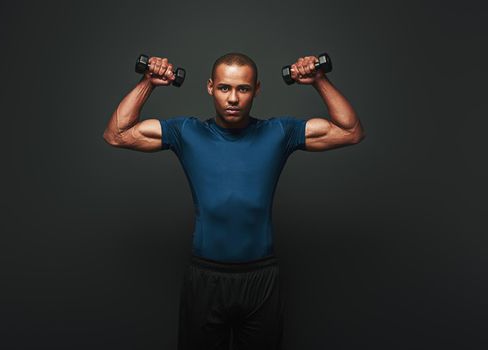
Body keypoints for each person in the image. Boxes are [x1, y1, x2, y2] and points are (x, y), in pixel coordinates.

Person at [102, 52, 365, 350]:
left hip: (261, 280)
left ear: (257, 90)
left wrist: (319, 80)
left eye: (243, 89)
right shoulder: (186, 132)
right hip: (205, 279)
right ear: (210, 87)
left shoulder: (279, 132)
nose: (233, 98)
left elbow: (350, 131)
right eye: (225, 88)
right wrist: (148, 82)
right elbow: (117, 134)